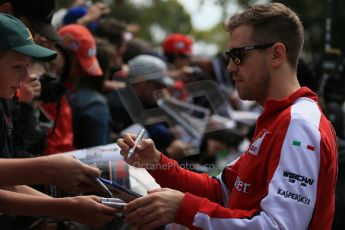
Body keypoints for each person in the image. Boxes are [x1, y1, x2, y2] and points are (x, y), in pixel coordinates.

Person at [117, 3, 338, 229]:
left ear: (276, 54)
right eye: (228, 56)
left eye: (238, 55)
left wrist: (183, 208)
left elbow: (279, 226)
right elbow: (222, 190)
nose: (230, 67)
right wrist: (157, 163)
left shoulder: (297, 124)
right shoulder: (278, 117)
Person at [0, 13, 116, 225]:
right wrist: (50, 174)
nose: (27, 77)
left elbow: (7, 184)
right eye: (18, 66)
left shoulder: (3, 101)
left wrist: (67, 212)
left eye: (28, 66)